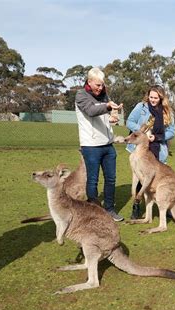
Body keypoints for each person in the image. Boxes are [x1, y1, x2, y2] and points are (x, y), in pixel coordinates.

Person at [75, 67, 124, 221]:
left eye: (102, 85)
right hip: (91, 145)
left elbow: (104, 114)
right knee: (93, 180)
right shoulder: (81, 95)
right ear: (89, 82)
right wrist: (108, 106)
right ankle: (93, 211)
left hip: (108, 144)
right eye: (98, 85)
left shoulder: (104, 95)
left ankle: (109, 210)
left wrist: (112, 117)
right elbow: (91, 111)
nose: (100, 88)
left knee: (111, 179)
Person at [126, 85, 175, 219]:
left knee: (159, 179)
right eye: (151, 97)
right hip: (141, 148)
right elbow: (129, 122)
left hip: (159, 148)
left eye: (156, 98)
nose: (153, 100)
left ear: (161, 98)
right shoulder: (141, 107)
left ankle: (167, 207)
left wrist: (158, 137)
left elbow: (172, 131)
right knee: (140, 176)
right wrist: (143, 133)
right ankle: (136, 207)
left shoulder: (167, 111)